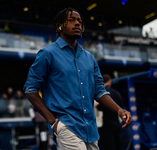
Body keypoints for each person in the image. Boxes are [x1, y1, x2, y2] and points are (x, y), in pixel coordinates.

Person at [23, 7, 131, 150]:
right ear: (59, 26)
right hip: (66, 126)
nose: (77, 23)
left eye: (79, 21)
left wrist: (119, 110)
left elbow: (99, 91)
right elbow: (30, 89)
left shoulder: (90, 58)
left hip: (90, 129)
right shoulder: (47, 54)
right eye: (71, 20)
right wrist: (54, 122)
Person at [96, 74, 124, 150]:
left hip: (106, 125)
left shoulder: (101, 95)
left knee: (108, 146)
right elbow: (121, 107)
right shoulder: (117, 93)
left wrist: (96, 105)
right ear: (110, 81)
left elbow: (101, 107)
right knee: (118, 146)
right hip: (116, 124)